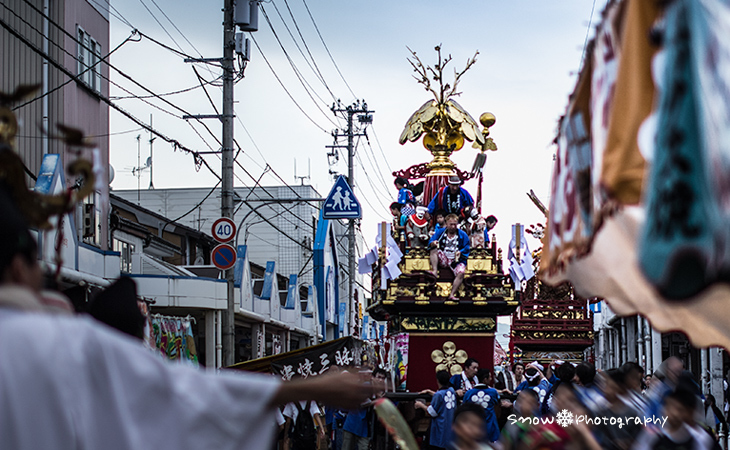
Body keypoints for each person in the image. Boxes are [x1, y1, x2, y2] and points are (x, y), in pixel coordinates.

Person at [0, 183, 375, 450]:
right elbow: (185, 393)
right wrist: (310, 388)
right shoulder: (66, 344)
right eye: (39, 269)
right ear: (19, 269)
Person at [632, 388, 715, 450]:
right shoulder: (652, 436)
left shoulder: (700, 439)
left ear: (689, 412)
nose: (674, 413)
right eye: (669, 407)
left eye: (679, 409)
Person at [592, 369, 642, 450]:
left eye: (608, 386)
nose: (605, 390)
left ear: (619, 387)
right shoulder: (600, 412)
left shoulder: (632, 413)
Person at [341, 368, 388, 450]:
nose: (380, 380)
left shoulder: (379, 390)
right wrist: (377, 400)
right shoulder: (366, 386)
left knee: (364, 447)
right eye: (379, 377)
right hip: (353, 423)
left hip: (365, 427)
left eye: (383, 378)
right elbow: (362, 403)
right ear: (372, 377)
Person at [429, 214, 470, 300]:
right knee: (434, 250)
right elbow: (431, 242)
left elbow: (467, 247)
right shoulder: (440, 232)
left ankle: (452, 294)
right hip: (444, 258)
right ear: (446, 224)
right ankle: (435, 271)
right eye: (451, 224)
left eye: (455, 224)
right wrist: (433, 243)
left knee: (461, 272)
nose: (453, 226)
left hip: (456, 260)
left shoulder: (462, 234)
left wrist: (460, 252)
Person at [416, 370, 457, 450]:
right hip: (450, 426)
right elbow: (442, 396)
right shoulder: (451, 391)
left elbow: (432, 412)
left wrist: (421, 405)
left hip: (440, 426)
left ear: (437, 380)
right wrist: (430, 392)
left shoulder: (439, 395)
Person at [463, 369, 501, 443]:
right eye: (489, 377)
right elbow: (498, 406)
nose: (491, 379)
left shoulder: (468, 393)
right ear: (485, 379)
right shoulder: (493, 392)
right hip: (490, 427)